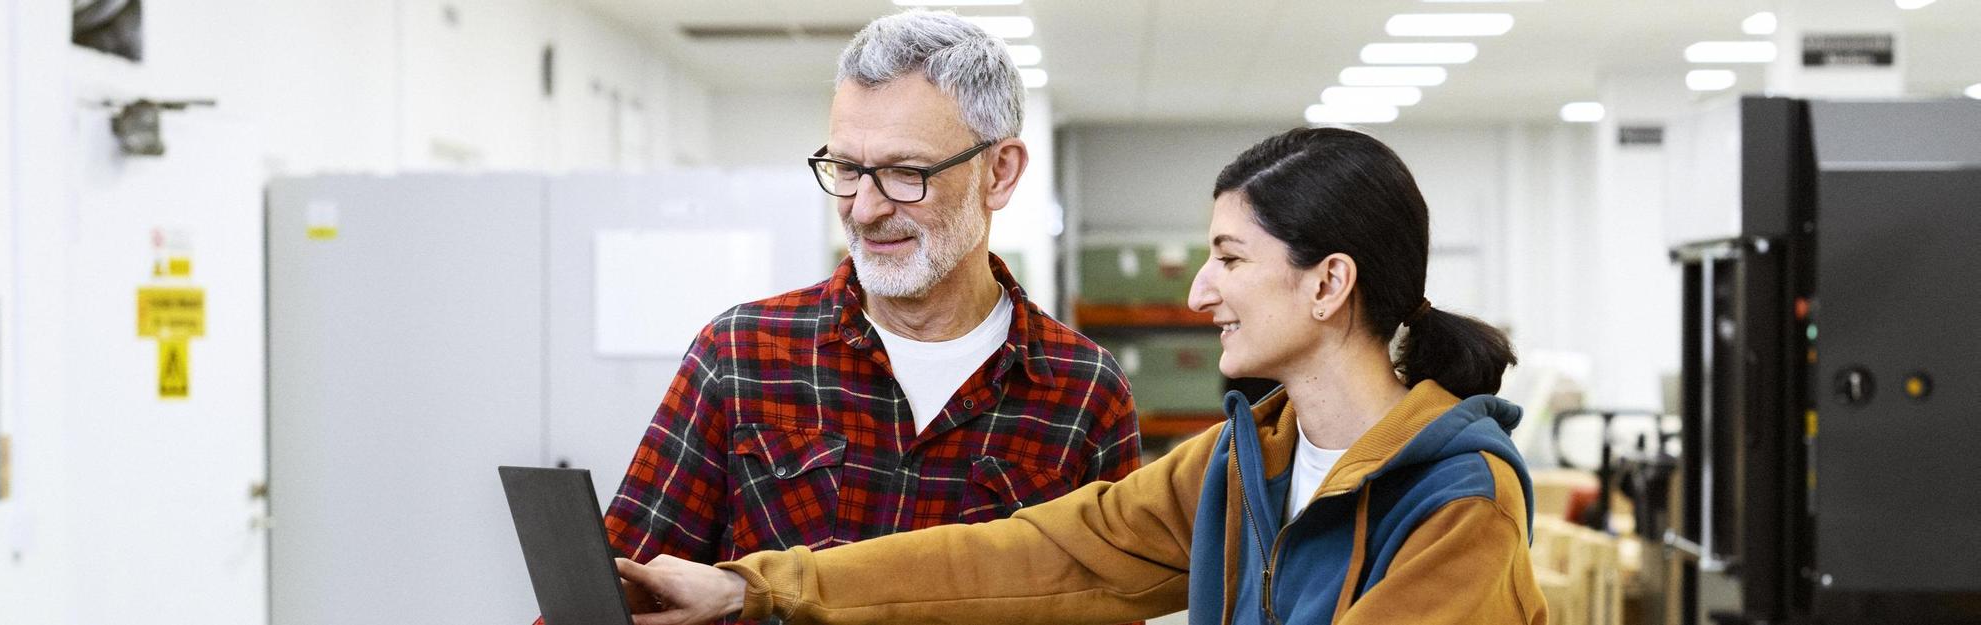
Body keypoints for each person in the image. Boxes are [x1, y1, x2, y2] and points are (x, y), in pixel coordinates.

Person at [611, 127, 1548, 625]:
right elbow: (1026, 555)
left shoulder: (1460, 502)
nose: (1198, 290)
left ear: (1329, 282)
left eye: (1229, 258)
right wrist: (755, 587)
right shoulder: (1239, 465)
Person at [574, 10, 1143, 625]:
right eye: (847, 169)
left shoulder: (1083, 391)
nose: (865, 209)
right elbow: (617, 588)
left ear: (999, 173)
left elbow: (1111, 604)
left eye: (906, 173)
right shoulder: (742, 355)